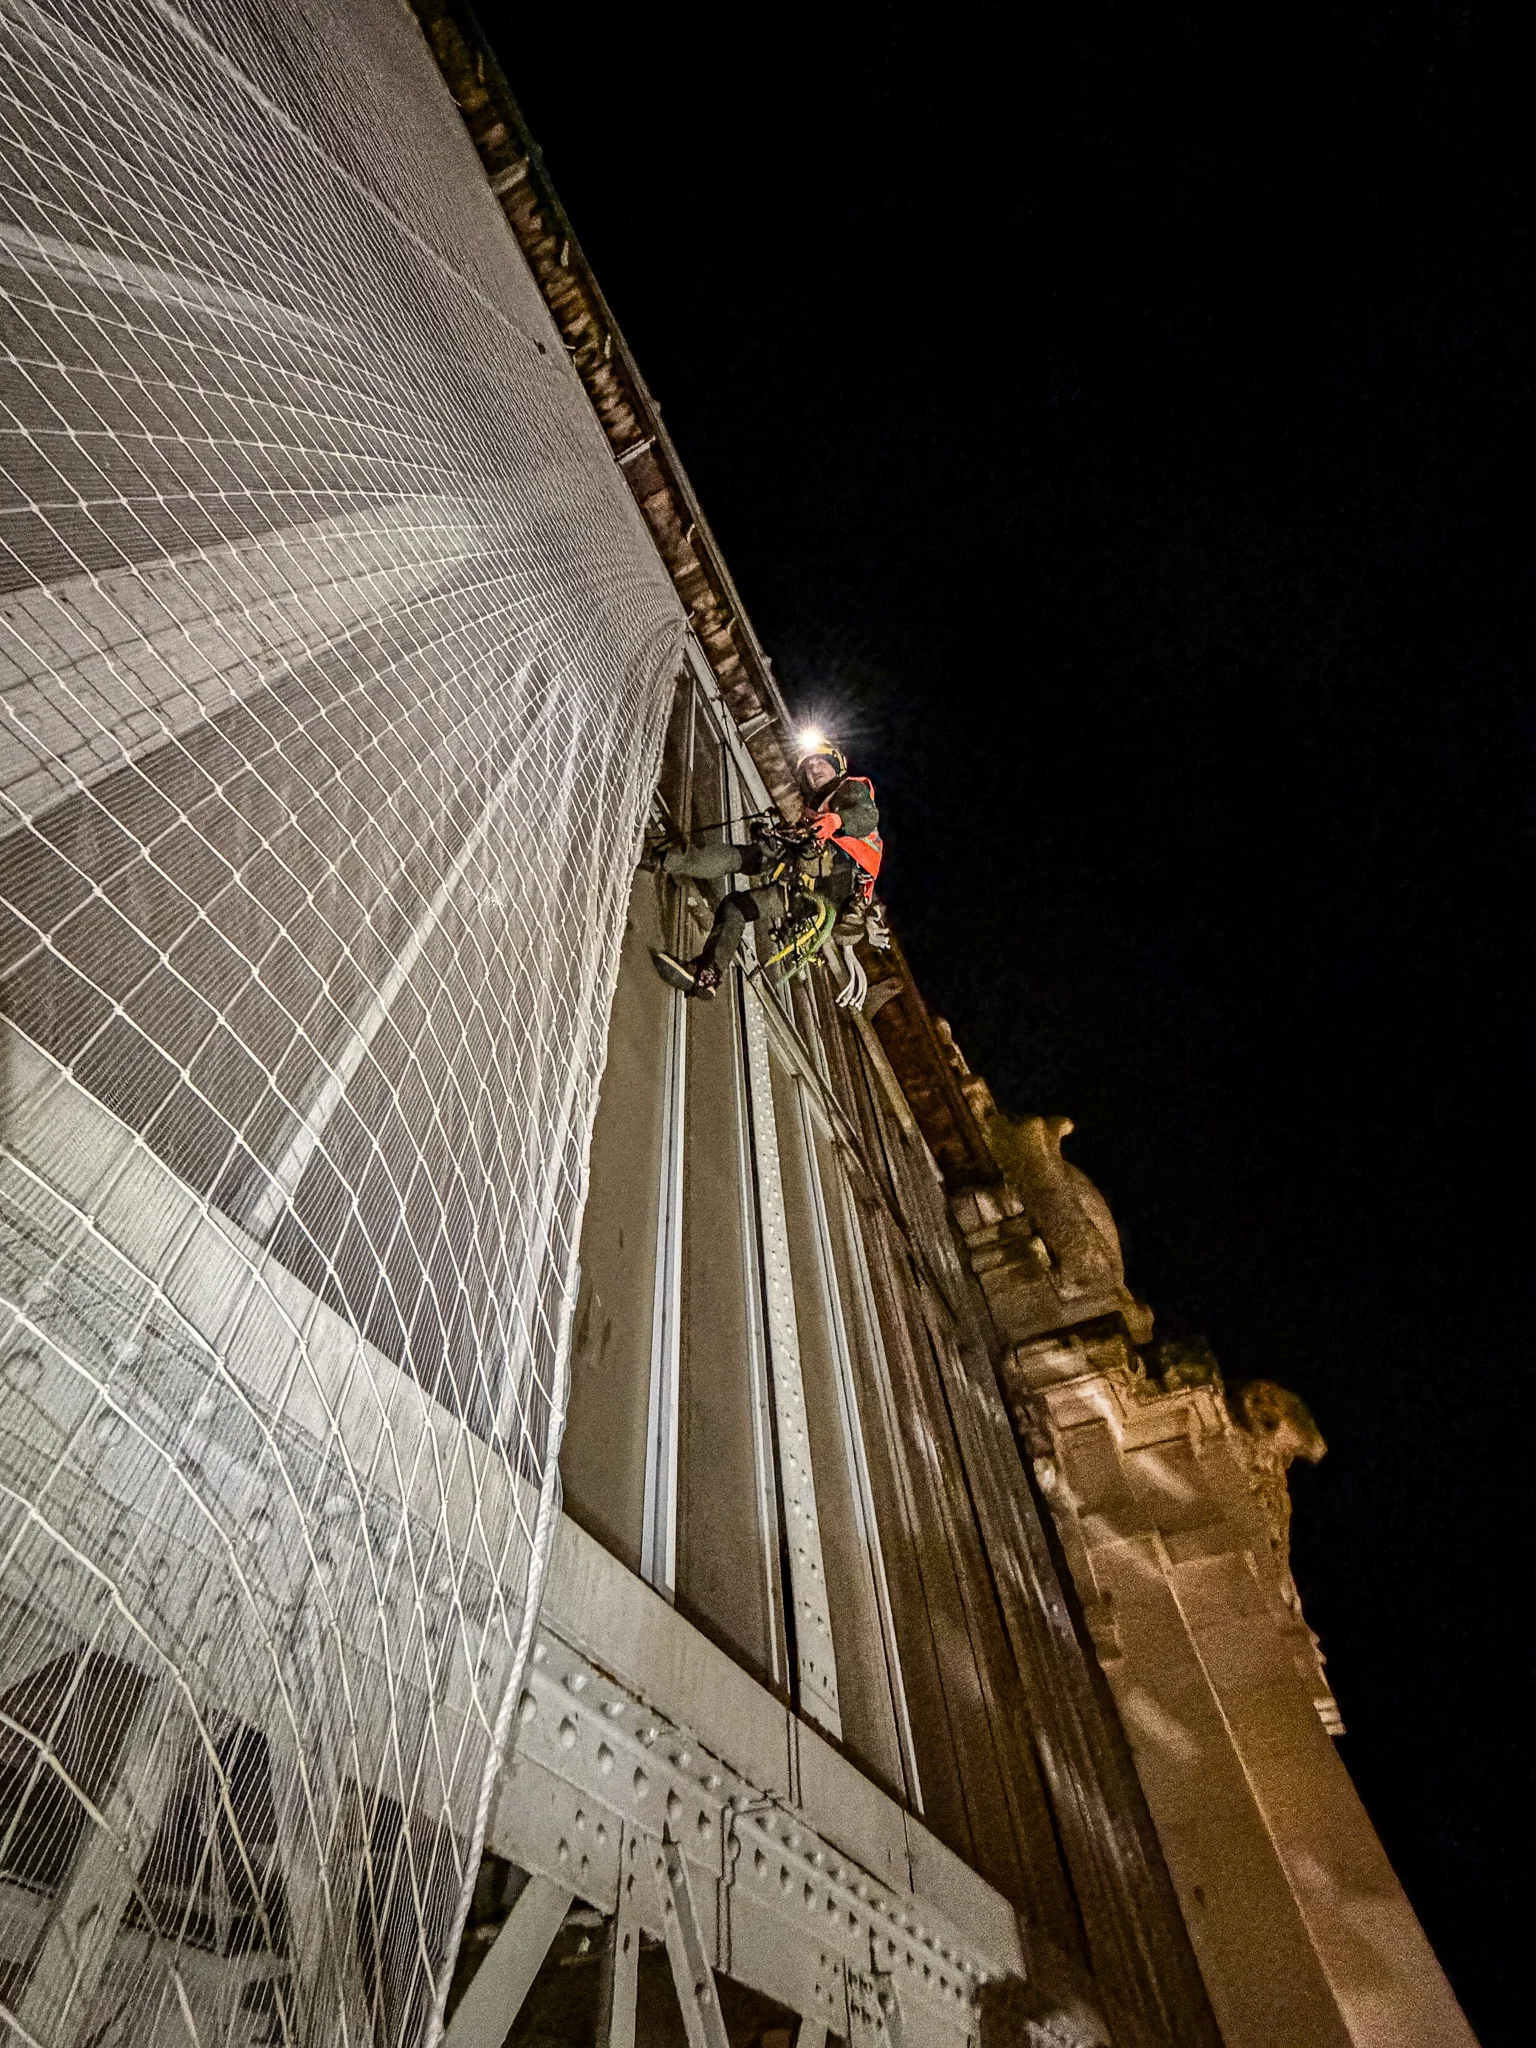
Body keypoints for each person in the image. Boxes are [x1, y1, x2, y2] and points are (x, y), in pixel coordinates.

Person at [649, 737, 882, 999]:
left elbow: (866, 815)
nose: (814, 768)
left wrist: (836, 821)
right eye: (809, 765)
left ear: (836, 766)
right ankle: (707, 975)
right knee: (735, 905)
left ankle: (659, 860)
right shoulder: (812, 809)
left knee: (747, 858)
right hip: (798, 889)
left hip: (825, 886)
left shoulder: (849, 790)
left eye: (821, 762)